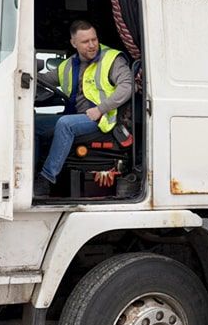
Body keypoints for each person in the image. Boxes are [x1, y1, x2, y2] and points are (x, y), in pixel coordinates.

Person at [31, 20, 133, 197]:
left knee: (65, 124)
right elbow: (44, 80)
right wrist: (26, 71)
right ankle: (30, 175)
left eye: (94, 39)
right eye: (86, 42)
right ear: (74, 43)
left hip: (102, 119)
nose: (92, 45)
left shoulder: (111, 59)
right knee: (33, 123)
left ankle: (46, 179)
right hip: (76, 117)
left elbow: (128, 86)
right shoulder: (68, 65)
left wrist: (101, 109)